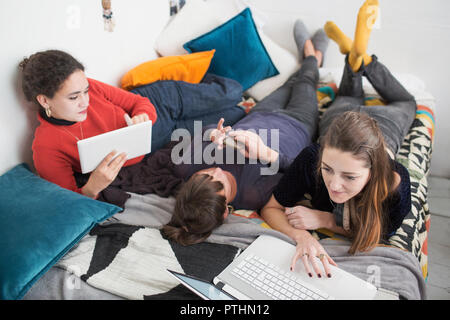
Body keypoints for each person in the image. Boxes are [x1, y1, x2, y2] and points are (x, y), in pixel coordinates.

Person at [260, 0, 416, 279]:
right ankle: (357, 59)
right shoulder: (313, 156)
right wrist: (302, 236)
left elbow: (377, 234)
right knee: (347, 98)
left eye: (350, 177)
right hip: (342, 118)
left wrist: (326, 220)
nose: (334, 184)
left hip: (388, 124)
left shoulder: (395, 187)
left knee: (407, 101)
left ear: (373, 171)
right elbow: (271, 207)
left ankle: (359, 59)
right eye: (328, 169)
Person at [162, 23, 330, 246]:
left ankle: (311, 58)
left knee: (291, 82)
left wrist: (213, 134)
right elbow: (303, 171)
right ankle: (312, 56)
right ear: (225, 212)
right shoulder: (253, 194)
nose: (217, 171)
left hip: (261, 113)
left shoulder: (186, 169)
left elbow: (204, 131)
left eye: (205, 175)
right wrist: (267, 154)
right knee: (306, 82)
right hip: (298, 124)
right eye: (220, 185)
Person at [19, 50, 244, 200]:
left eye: (86, 91)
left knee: (235, 91)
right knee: (238, 113)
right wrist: (92, 187)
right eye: (74, 97)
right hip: (156, 141)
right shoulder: (47, 146)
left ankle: (193, 79)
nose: (85, 101)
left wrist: (142, 115)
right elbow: (70, 201)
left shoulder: (92, 88)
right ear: (44, 100)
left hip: (162, 102)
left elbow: (138, 102)